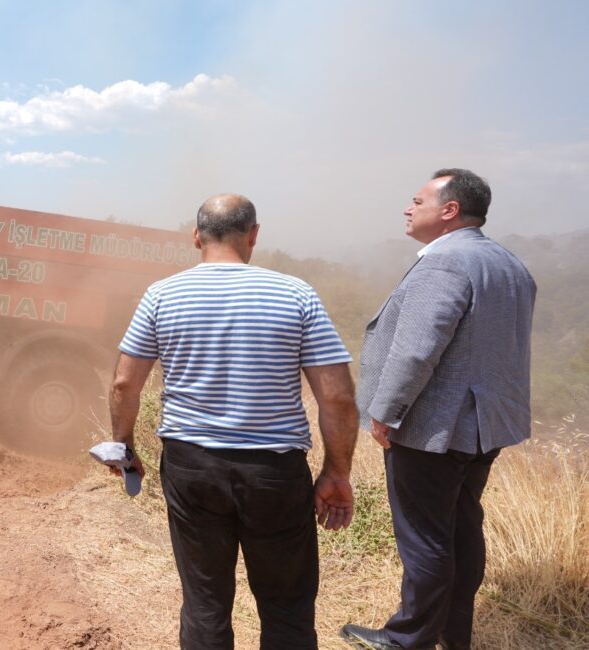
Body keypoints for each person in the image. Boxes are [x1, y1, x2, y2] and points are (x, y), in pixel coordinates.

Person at [109, 194, 359, 649]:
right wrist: (337, 471)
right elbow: (338, 397)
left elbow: (125, 385)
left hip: (191, 470)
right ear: (254, 236)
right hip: (274, 475)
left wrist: (124, 446)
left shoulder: (162, 294)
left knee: (205, 603)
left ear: (196, 237)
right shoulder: (295, 294)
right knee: (286, 607)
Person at [342, 169, 536, 650]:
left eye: (417, 201)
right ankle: (454, 636)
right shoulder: (509, 264)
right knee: (462, 528)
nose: (408, 209)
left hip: (435, 427)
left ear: (449, 211)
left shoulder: (444, 263)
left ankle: (407, 638)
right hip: (484, 427)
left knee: (425, 537)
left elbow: (415, 350)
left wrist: (387, 411)